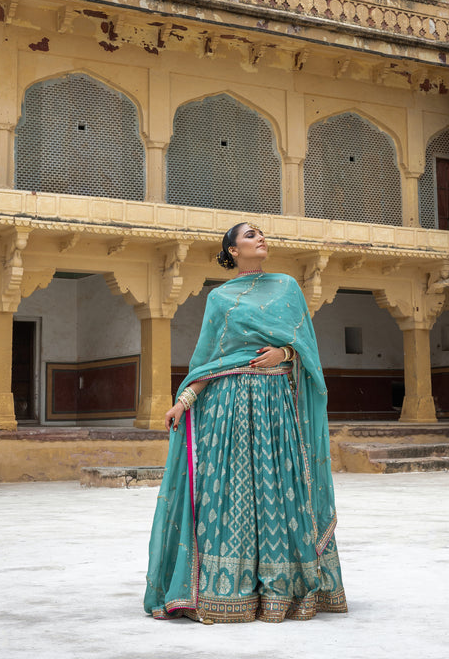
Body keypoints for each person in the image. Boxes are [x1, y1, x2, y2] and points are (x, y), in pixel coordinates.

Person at [143, 221, 348, 624]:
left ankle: (280, 590)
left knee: (278, 491)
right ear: (233, 251)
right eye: (250, 235)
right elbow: (208, 360)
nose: (261, 239)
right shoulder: (220, 298)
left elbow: (306, 346)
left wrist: (284, 354)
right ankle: (223, 591)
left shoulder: (288, 286)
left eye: (261, 234)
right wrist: (183, 401)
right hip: (227, 409)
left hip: (276, 408)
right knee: (228, 495)